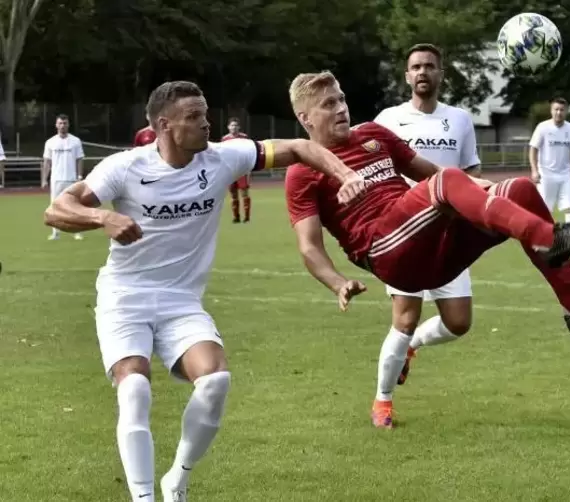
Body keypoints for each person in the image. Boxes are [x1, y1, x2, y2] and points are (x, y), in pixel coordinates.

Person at [43, 80, 364, 502]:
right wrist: (103, 219)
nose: (205, 124)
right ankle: (142, 498)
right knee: (135, 387)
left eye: (206, 114)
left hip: (181, 301)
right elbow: (57, 209)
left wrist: (346, 173)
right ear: (164, 125)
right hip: (126, 297)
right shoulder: (125, 167)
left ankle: (177, 477)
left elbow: (300, 148)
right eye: (194, 117)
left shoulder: (222, 159)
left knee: (216, 381)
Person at [284, 71, 570, 429]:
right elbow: (309, 246)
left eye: (342, 99)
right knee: (447, 186)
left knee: (517, 189)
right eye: (329, 104)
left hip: (432, 242)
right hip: (389, 252)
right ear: (305, 118)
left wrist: (481, 187)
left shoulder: (373, 135)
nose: (341, 108)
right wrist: (337, 283)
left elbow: (426, 170)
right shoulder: (302, 171)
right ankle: (549, 237)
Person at [372, 43, 481, 410]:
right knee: (403, 319)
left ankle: (414, 347)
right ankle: (383, 401)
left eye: (429, 66)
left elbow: (470, 174)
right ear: (407, 76)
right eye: (416, 66)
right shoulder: (388, 119)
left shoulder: (461, 120)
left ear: (440, 74)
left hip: (449, 234)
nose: (422, 72)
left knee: (459, 322)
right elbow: (375, 172)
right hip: (405, 232)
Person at [529, 98, 570, 255]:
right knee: (545, 210)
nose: (559, 112)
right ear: (551, 110)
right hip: (546, 175)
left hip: (565, 174)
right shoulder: (543, 128)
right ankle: (543, 241)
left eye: (562, 110)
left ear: (566, 111)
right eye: (556, 109)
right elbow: (533, 149)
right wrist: (534, 170)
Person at [41, 114, 85, 240]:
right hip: (56, 179)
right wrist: (44, 179)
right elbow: (47, 162)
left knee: (75, 206)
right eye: (60, 123)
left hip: (72, 179)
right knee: (55, 207)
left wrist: (80, 176)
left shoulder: (75, 141)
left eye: (65, 123)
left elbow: (79, 159)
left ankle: (77, 231)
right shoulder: (50, 142)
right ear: (56, 125)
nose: (62, 126)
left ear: (68, 124)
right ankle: (55, 233)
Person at [222, 117, 251, 223]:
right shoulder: (225, 139)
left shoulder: (244, 138)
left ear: (239, 127)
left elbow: (249, 152)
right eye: (232, 125)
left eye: (235, 125)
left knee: (244, 193)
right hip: (231, 171)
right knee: (233, 194)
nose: (234, 127)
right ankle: (236, 217)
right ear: (228, 127)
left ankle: (247, 217)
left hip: (242, 169)